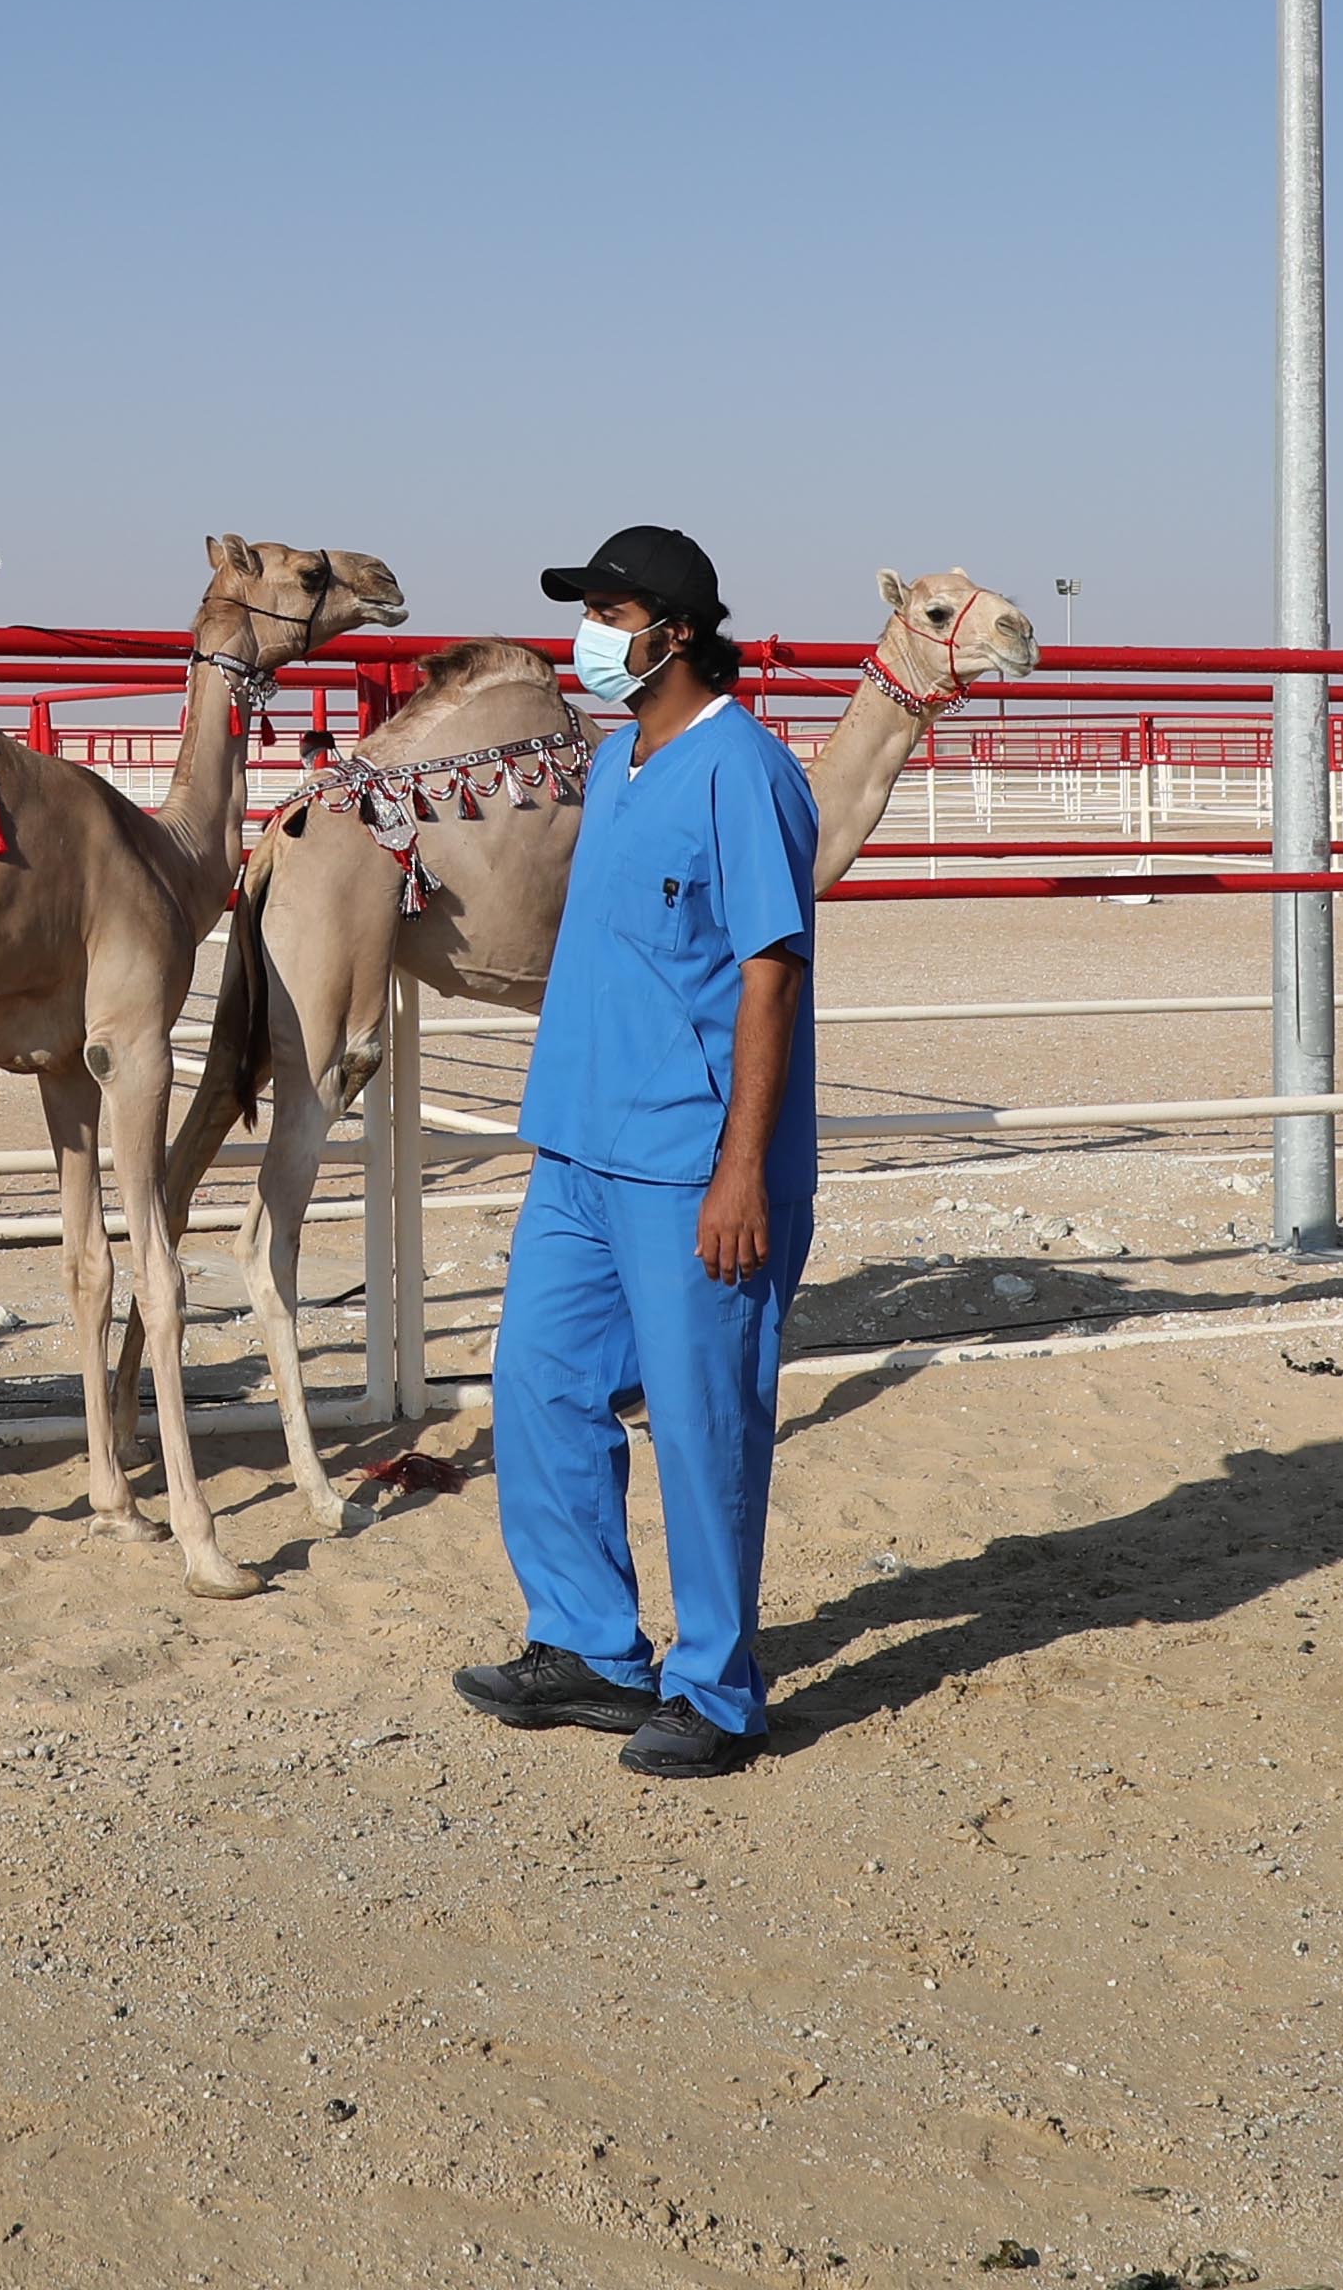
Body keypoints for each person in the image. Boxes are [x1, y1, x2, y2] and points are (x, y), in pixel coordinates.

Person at [450, 524, 819, 1781]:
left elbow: (770, 971)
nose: (591, 636)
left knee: (705, 1422)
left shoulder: (746, 770)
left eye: (610, 612)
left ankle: (718, 1690)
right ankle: (592, 1648)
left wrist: (741, 1173)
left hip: (690, 1163)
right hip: (579, 1147)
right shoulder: (617, 767)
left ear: (672, 631)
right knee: (540, 1385)